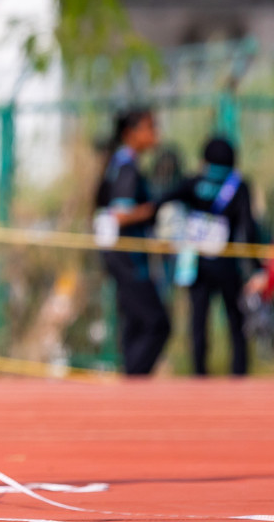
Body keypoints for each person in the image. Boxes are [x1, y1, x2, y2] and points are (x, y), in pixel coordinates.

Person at [166, 138, 256, 376]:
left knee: (198, 322)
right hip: (227, 265)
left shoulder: (194, 182)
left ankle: (199, 375)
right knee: (236, 322)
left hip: (197, 264)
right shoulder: (238, 186)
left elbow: (163, 199)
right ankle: (239, 374)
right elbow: (248, 229)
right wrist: (255, 267)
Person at [94, 107, 171, 377]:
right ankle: (133, 381)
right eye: (150, 127)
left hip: (122, 256)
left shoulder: (119, 162)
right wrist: (155, 208)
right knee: (157, 323)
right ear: (131, 133)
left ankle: (131, 381)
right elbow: (121, 213)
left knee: (135, 322)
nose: (155, 134)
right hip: (128, 259)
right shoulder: (126, 166)